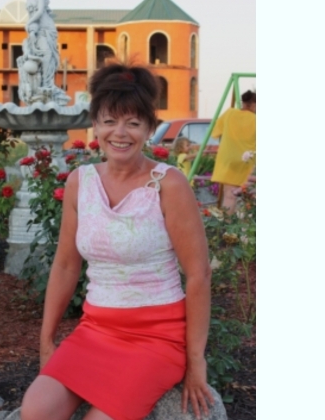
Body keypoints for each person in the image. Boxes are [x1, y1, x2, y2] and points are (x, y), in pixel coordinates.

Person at [21, 62, 213, 420]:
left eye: (133, 123)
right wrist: (47, 341)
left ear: (149, 129)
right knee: (35, 411)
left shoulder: (168, 184)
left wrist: (195, 361)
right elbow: (66, 265)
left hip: (157, 338)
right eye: (109, 121)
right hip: (95, 331)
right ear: (95, 125)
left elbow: (199, 274)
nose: (120, 133)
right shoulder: (80, 182)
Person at [210, 90, 256, 214]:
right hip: (246, 161)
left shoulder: (230, 113)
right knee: (250, 195)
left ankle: (226, 223)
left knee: (229, 195)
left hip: (227, 159)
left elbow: (215, 132)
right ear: (253, 105)